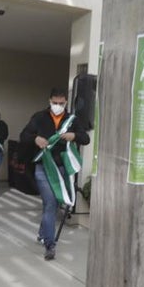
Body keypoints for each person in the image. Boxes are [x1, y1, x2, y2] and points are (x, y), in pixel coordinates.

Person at [21, 88, 90, 261]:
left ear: (66, 103)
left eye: (61, 103)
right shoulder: (39, 117)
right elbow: (24, 135)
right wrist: (36, 139)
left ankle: (42, 231)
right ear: (49, 101)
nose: (58, 106)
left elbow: (85, 138)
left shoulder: (71, 120)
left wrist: (73, 135)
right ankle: (50, 245)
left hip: (62, 168)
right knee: (51, 203)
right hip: (44, 167)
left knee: (52, 203)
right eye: (55, 103)